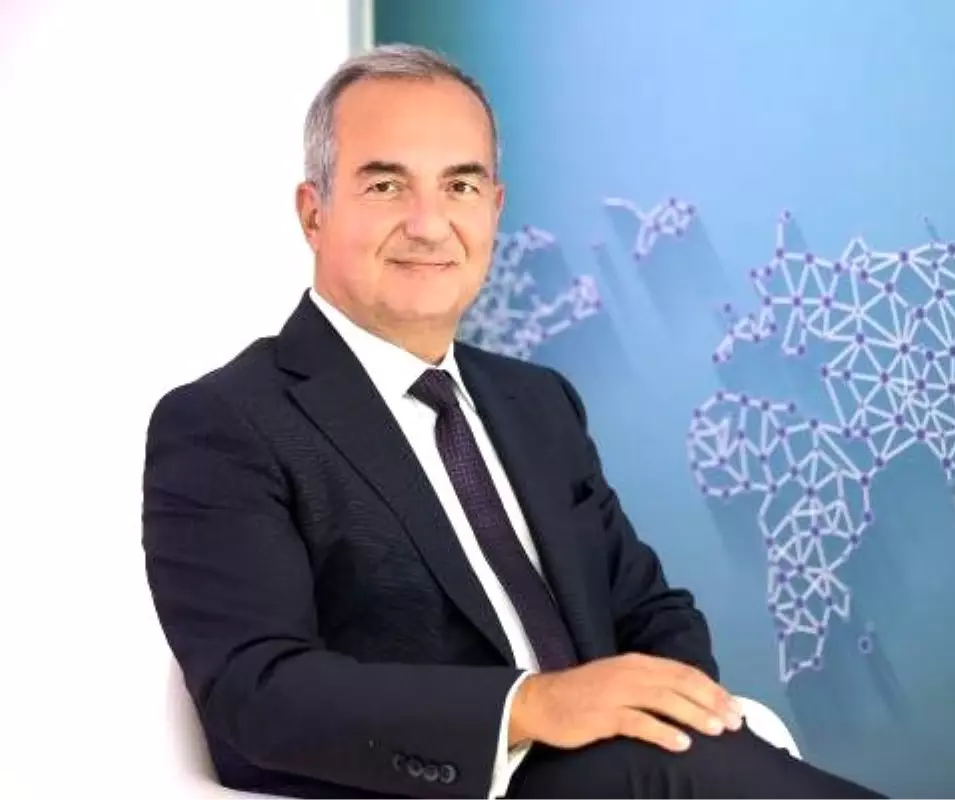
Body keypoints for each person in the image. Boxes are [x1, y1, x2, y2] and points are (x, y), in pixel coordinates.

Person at [141, 43, 886, 800]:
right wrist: (528, 708)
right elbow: (257, 691)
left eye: (460, 185)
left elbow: (650, 611)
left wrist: (678, 715)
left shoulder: (536, 402)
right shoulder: (225, 423)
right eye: (386, 185)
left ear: (494, 209)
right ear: (314, 213)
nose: (429, 224)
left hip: (626, 774)